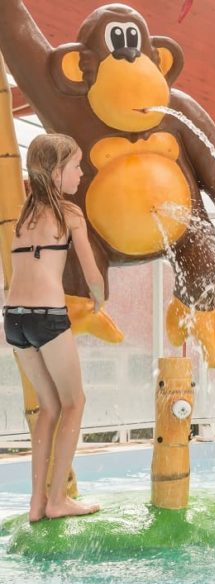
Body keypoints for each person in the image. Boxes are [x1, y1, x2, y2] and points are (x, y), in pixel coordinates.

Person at [4, 133, 104, 522]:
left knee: (48, 407)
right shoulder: (70, 214)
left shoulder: (23, 217)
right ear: (57, 172)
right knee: (74, 402)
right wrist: (98, 298)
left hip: (14, 320)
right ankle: (58, 499)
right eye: (76, 166)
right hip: (47, 317)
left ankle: (36, 504)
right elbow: (92, 272)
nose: (81, 173)